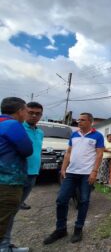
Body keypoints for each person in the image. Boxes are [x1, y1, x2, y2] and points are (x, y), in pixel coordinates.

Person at [43, 113, 104, 245]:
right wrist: (63, 169)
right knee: (61, 200)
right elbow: (68, 152)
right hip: (71, 173)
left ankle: (78, 229)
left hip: (86, 174)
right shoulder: (74, 135)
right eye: (78, 120)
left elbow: (99, 155)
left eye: (82, 120)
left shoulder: (97, 136)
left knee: (83, 201)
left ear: (90, 122)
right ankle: (61, 229)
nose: (79, 122)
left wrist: (94, 172)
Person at [1, 102, 44, 252]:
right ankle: (4, 246)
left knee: (12, 211)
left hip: (32, 174)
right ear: (24, 112)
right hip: (15, 176)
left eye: (37, 113)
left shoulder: (40, 132)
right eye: (30, 112)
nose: (33, 116)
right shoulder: (17, 126)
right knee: (7, 211)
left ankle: (5, 244)